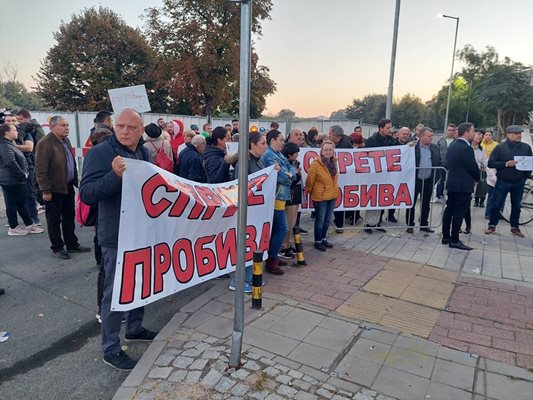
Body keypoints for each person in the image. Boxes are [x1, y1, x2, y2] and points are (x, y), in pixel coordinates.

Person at [80, 109, 157, 371]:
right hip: (115, 236)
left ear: (141, 129)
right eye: (120, 126)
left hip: (140, 232)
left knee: (140, 283)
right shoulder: (102, 153)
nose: (124, 131)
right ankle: (110, 348)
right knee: (114, 293)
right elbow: (88, 193)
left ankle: (134, 328)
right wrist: (114, 175)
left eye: (131, 127)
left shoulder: (143, 152)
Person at [35, 116, 90, 259]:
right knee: (53, 220)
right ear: (52, 127)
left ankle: (72, 244)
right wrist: (45, 190)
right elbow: (40, 170)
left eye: (67, 125)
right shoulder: (45, 143)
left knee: (68, 217)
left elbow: (69, 162)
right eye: (63, 125)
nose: (67, 128)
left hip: (67, 186)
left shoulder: (65, 140)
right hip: (53, 189)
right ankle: (57, 247)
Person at [229, 132, 268, 292]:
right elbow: (241, 185)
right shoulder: (244, 162)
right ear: (252, 145)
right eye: (263, 143)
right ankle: (237, 281)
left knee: (252, 243)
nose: (265, 146)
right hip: (247, 209)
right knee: (244, 244)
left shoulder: (258, 161)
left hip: (255, 209)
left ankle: (249, 277)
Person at [485, 125, 532, 238]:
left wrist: (524, 177)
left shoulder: (526, 148)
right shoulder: (500, 147)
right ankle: (492, 225)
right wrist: (505, 164)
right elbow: (491, 163)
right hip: (503, 180)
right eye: (516, 133)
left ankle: (515, 227)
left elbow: (530, 163)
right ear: (508, 135)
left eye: (519, 133)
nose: (518, 135)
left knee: (516, 205)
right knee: (497, 203)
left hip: (519, 181)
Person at [261, 130, 296, 274]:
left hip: (281, 196)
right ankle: (271, 260)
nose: (283, 143)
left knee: (277, 228)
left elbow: (291, 168)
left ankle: (272, 256)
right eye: (281, 140)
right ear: (273, 140)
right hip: (276, 196)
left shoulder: (279, 154)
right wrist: (289, 175)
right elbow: (281, 177)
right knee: (282, 228)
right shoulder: (269, 155)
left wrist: (289, 174)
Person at [441, 123, 480, 250]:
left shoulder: (453, 144)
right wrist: (477, 178)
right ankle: (454, 239)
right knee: (459, 212)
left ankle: (446, 236)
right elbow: (472, 166)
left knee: (449, 210)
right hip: (463, 185)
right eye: (473, 131)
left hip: (452, 183)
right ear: (467, 132)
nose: (474, 134)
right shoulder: (466, 148)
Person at [0, 123, 44, 236]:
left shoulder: (9, 143)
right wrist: (22, 174)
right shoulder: (4, 145)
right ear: (6, 132)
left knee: (21, 203)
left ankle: (29, 225)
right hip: (10, 180)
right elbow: (10, 162)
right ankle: (13, 228)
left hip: (15, 179)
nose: (17, 132)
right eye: (14, 130)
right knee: (12, 204)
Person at [305, 140, 339, 251]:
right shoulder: (316, 163)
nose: (328, 152)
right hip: (320, 196)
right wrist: (310, 192)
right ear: (321, 151)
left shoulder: (334, 162)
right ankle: (318, 241)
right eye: (326, 150)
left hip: (332, 195)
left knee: (327, 220)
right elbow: (310, 180)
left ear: (333, 151)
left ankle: (324, 238)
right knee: (320, 220)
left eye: (330, 150)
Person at [364, 118, 396, 233]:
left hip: (386, 175)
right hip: (374, 176)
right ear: (381, 128)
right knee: (372, 199)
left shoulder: (391, 140)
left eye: (390, 127)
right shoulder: (371, 140)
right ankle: (368, 223)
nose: (390, 130)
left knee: (382, 199)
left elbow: (399, 150)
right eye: (387, 128)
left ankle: (377, 221)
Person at [406, 128, 440, 234]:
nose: (431, 138)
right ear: (421, 136)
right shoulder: (413, 147)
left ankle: (424, 224)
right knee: (411, 203)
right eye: (429, 136)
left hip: (428, 180)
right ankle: (410, 224)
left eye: (432, 136)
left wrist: (435, 178)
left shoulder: (435, 148)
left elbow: (438, 162)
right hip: (415, 180)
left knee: (426, 203)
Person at [279, 142, 301, 259]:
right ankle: (283, 247)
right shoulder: (287, 165)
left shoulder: (293, 164)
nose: (297, 155)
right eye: (296, 153)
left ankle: (288, 244)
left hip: (294, 197)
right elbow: (291, 180)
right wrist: (296, 175)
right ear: (289, 155)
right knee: (287, 223)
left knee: (291, 223)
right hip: (290, 198)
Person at [328, 125, 352, 232]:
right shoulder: (340, 142)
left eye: (330, 134)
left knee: (339, 199)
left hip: (342, 176)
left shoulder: (345, 144)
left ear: (335, 135)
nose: (328, 136)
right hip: (336, 175)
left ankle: (339, 224)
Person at [435, 124, 457, 202]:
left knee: (450, 180)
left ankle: (447, 195)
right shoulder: (441, 140)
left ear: (455, 132)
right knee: (440, 180)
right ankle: (438, 195)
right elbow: (437, 151)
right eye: (449, 130)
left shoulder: (456, 141)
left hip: (452, 165)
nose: (450, 132)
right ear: (446, 131)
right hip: (441, 164)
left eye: (452, 130)